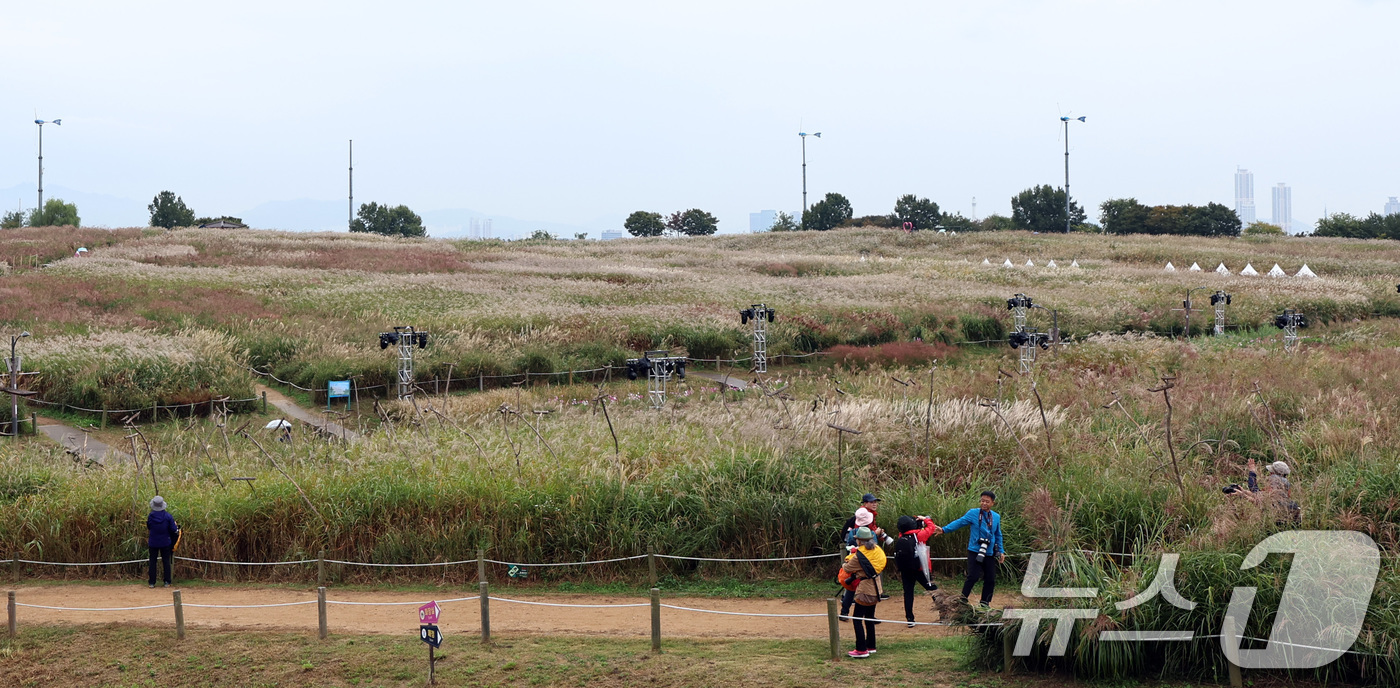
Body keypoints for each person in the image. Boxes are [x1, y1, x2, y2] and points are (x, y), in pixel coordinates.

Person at [939, 491, 1004, 608]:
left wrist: (1001, 550)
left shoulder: (996, 517)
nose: (984, 503)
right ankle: (962, 600)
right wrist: (944, 530)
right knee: (973, 576)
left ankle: (985, 603)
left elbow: (998, 534)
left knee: (990, 579)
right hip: (975, 550)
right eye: (982, 501)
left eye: (987, 501)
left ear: (993, 503)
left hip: (989, 552)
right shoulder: (973, 513)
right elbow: (959, 522)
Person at [841, 527, 887, 658]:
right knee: (869, 617)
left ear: (859, 541)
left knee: (857, 618)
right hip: (876, 587)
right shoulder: (877, 550)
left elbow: (847, 567)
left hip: (865, 589)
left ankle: (861, 649)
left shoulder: (859, 555)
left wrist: (849, 558)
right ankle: (871, 645)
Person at [894, 515, 941, 627]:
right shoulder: (919, 535)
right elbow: (931, 527)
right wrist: (925, 519)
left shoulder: (902, 536)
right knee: (933, 590)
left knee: (908, 593)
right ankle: (943, 613)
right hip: (920, 568)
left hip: (906, 569)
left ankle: (910, 619)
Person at [147, 496, 179, 588]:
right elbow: (173, 529)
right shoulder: (168, 516)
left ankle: (152, 582)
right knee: (166, 561)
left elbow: (149, 527)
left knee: (152, 561)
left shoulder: (151, 516)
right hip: (165, 542)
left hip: (153, 542)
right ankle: (167, 582)